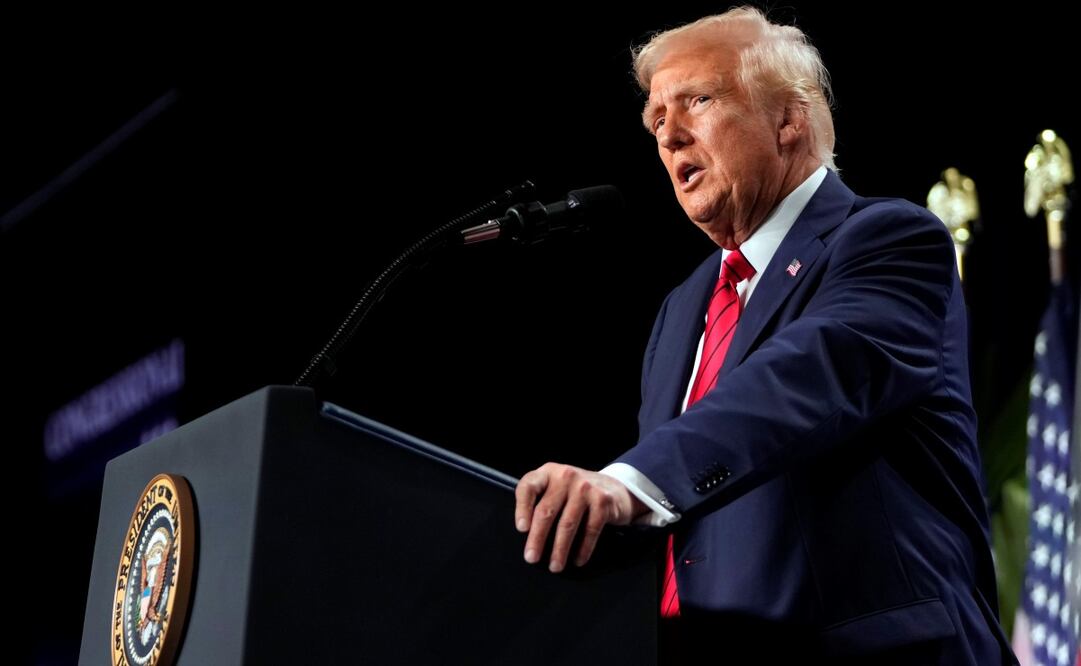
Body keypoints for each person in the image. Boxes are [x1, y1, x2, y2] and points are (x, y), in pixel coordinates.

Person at [513, 6, 1016, 663]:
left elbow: (809, 374)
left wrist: (629, 482)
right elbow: (684, 521)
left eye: (697, 101)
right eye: (657, 121)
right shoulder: (680, 309)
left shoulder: (888, 238)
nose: (670, 137)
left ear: (788, 119)